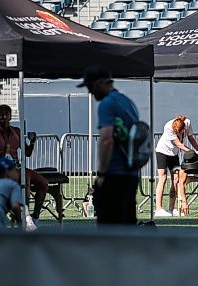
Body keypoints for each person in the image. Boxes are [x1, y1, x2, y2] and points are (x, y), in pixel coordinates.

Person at [77, 65, 140, 225]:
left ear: (99, 83)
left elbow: (106, 140)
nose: (90, 92)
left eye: (90, 87)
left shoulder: (107, 103)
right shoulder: (127, 102)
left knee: (109, 227)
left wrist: (102, 174)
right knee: (127, 225)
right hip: (130, 173)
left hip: (114, 173)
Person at [0, 104, 48, 230]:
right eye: (0, 113)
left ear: (10, 116)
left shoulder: (16, 131)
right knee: (24, 178)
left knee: (43, 182)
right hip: (1, 164)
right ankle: (25, 217)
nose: (3, 116)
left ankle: (35, 217)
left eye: (6, 113)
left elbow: (27, 152)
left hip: (15, 165)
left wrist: (32, 142)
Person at [154, 115, 198, 217]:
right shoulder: (168, 127)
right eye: (176, 132)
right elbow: (178, 144)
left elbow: (191, 138)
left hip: (174, 154)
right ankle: (158, 209)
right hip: (162, 152)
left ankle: (171, 209)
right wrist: (192, 152)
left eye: (179, 132)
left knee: (175, 179)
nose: (179, 134)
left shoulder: (187, 123)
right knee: (162, 178)